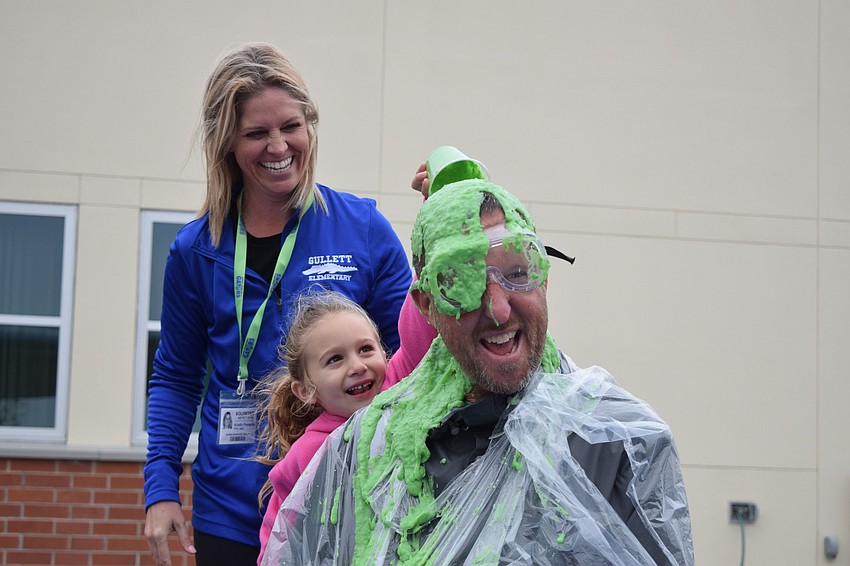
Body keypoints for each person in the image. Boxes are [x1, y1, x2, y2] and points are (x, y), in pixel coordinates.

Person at [263, 178, 694, 565]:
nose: (499, 308)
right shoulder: (365, 450)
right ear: (428, 305)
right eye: (461, 281)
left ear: (544, 279)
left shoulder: (619, 440)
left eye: (518, 273)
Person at [142, 42, 414, 566]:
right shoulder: (196, 250)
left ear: (310, 125)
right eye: (256, 133)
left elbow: (409, 360)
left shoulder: (363, 230)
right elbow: (176, 377)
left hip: (349, 501)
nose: (278, 145)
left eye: (291, 126)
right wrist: (160, 487)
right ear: (227, 144)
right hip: (232, 513)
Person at [254, 288, 435, 564]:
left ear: (384, 355)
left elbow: (419, 326)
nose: (357, 366)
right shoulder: (311, 452)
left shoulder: (396, 387)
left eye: (366, 349)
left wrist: (427, 266)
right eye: (335, 359)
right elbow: (280, 540)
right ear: (305, 391)